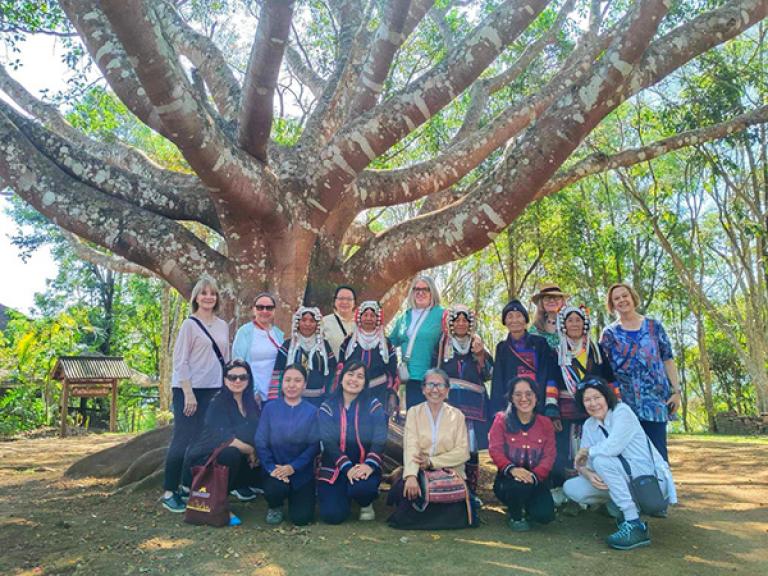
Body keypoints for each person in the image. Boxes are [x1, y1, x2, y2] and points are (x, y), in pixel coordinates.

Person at [563, 377, 677, 550]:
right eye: (587, 399)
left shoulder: (622, 412)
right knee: (572, 487)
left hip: (648, 480)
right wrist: (587, 473)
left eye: (597, 397)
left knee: (602, 460)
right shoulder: (589, 425)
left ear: (607, 397)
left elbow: (611, 448)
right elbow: (583, 464)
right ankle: (619, 507)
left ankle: (634, 524)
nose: (593, 403)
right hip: (622, 478)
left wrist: (586, 452)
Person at [162, 276, 229, 513]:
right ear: (196, 298)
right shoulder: (189, 325)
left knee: (200, 440)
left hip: (213, 388)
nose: (208, 297)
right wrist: (188, 393)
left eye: (212, 293)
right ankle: (169, 491)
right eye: (204, 293)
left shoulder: (222, 325)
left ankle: (184, 484)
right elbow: (180, 361)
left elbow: (226, 360)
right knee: (182, 439)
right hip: (187, 389)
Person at [599, 283, 681, 461]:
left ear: (633, 297)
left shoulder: (653, 326)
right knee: (631, 455)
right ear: (612, 305)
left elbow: (667, 359)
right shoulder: (609, 333)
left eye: (625, 295)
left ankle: (662, 488)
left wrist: (676, 392)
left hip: (655, 401)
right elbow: (604, 369)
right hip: (624, 402)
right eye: (616, 298)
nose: (622, 300)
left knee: (658, 454)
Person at [387, 368, 472, 529]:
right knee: (406, 491)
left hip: (450, 472)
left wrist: (432, 462)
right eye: (430, 385)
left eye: (440, 385)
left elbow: (463, 452)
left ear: (447, 390)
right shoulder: (414, 412)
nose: (435, 390)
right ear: (423, 389)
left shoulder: (457, 415)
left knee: (452, 507)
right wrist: (411, 475)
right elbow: (411, 445)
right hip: (420, 470)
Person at [545, 306, 616, 492]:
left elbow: (609, 379)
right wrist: (552, 411)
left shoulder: (596, 350)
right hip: (565, 411)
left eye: (578, 320)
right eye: (570, 320)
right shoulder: (556, 352)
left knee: (595, 450)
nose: (574, 324)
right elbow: (551, 382)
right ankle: (565, 491)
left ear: (584, 324)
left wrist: (614, 407)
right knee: (563, 452)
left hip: (593, 411)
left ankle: (596, 491)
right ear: (563, 325)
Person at [182, 360, 261, 524]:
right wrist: (250, 450)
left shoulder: (251, 403)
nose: (237, 381)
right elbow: (223, 438)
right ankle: (218, 505)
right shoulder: (217, 403)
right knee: (230, 453)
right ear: (225, 379)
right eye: (232, 377)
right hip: (204, 462)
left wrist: (256, 451)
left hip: (238, 460)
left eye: (242, 377)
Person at [317, 361, 388, 524]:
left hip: (364, 467)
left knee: (363, 488)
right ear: (341, 379)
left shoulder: (373, 405)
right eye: (350, 374)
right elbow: (328, 442)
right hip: (335, 468)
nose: (354, 380)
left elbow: (379, 438)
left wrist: (368, 465)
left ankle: (365, 503)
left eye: (360, 376)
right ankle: (344, 496)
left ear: (365, 383)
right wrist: (347, 468)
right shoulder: (327, 407)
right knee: (332, 516)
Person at [433, 305, 492, 494]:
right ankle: (450, 489)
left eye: (464, 320)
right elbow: (435, 372)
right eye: (457, 320)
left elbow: (488, 374)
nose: (460, 323)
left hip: (473, 406)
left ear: (470, 323)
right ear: (451, 323)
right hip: (449, 404)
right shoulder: (442, 344)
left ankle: (471, 492)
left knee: (471, 448)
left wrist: (481, 354)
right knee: (448, 446)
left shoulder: (477, 344)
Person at [488, 376, 556, 531]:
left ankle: (528, 507)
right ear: (511, 397)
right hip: (509, 481)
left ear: (536, 397)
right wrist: (512, 469)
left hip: (536, 480)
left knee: (544, 516)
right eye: (518, 394)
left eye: (528, 394)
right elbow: (495, 450)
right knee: (518, 487)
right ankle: (515, 516)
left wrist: (534, 476)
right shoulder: (501, 420)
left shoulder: (545, 423)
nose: (523, 398)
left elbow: (549, 456)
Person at [254, 364, 319, 526]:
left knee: (301, 519)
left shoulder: (312, 412)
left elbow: (314, 446)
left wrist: (293, 467)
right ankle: (275, 506)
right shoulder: (270, 408)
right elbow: (260, 441)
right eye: (288, 380)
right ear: (281, 383)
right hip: (274, 470)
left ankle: (296, 499)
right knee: (275, 489)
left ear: (304, 385)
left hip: (301, 472)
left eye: (297, 381)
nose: (292, 385)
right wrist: (271, 468)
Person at [490, 299, 558, 417]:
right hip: (511, 405)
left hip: (537, 403)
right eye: (510, 316)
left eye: (519, 316)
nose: (514, 320)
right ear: (505, 321)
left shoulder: (540, 343)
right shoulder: (502, 348)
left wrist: (551, 405)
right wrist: (498, 410)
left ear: (525, 320)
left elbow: (549, 374)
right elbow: (498, 381)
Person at [389, 275, 445, 409]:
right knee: (413, 419)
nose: (420, 293)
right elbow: (390, 342)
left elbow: (457, 332)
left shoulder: (441, 314)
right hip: (408, 377)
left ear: (432, 292)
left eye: (425, 289)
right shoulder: (405, 317)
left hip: (432, 377)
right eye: (416, 289)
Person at [337, 301, 398, 415]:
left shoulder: (386, 343)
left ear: (377, 319)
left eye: (372, 315)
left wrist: (392, 394)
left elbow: (392, 371)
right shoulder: (348, 342)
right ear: (360, 318)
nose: (369, 318)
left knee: (377, 427)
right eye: (365, 315)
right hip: (352, 392)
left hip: (379, 393)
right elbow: (341, 367)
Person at [270, 306, 336, 406]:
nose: (307, 324)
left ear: (317, 324)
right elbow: (278, 372)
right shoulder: (288, 346)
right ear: (297, 323)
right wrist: (275, 399)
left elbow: (332, 371)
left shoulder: (324, 346)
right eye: (303, 320)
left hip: (318, 400)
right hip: (291, 399)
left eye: (312, 321)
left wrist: (329, 396)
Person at [233, 292, 285, 403]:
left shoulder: (279, 334)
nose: (264, 311)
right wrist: (253, 391)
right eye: (260, 307)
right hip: (251, 393)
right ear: (254, 310)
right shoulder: (244, 332)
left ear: (274, 311)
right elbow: (238, 362)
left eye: (269, 308)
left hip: (275, 394)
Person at [529, 283, 569, 349]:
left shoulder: (571, 323)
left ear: (562, 301)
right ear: (541, 303)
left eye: (556, 297)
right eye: (547, 298)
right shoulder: (534, 328)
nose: (552, 300)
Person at [322, 285, 357, 358]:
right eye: (341, 298)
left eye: (349, 299)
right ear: (335, 301)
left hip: (356, 368)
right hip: (333, 368)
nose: (345, 302)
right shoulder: (324, 322)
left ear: (354, 303)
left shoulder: (360, 323)